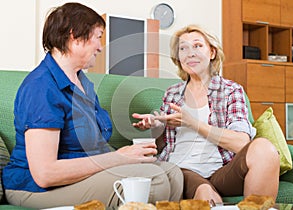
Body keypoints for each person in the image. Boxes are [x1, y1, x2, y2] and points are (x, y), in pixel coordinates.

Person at [2, 3, 183, 209]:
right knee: (153, 180)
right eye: (98, 37)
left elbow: (95, 147)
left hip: (82, 177)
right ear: (74, 36)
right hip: (35, 188)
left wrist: (136, 150)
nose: (100, 46)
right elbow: (45, 174)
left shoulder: (83, 83)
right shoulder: (41, 87)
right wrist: (118, 158)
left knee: (173, 174)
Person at [132, 24, 280, 203]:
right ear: (178, 57)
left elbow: (241, 142)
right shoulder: (172, 93)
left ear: (212, 52)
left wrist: (192, 122)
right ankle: (206, 192)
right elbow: (163, 142)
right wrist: (155, 125)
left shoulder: (231, 90)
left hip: (221, 171)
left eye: (197, 46)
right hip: (182, 170)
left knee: (265, 149)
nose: (190, 53)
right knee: (205, 194)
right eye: (183, 48)